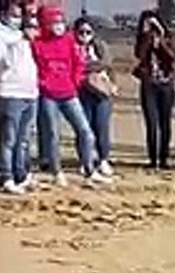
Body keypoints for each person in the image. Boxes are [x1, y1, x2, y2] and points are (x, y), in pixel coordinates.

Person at [31, 5, 109, 186]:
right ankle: (56, 171)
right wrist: (43, 83)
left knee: (85, 131)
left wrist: (73, 81)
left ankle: (89, 169)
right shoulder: (37, 44)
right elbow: (34, 68)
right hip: (48, 95)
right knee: (52, 134)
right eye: (54, 22)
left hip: (69, 93)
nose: (58, 25)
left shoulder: (68, 40)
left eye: (61, 21)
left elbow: (78, 63)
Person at [0, 0, 38, 194]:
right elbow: (2, 61)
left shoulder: (22, 30)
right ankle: (5, 175)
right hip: (8, 91)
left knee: (24, 138)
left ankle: (21, 173)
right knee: (8, 137)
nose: (20, 10)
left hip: (29, 91)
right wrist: (20, 41)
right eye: (17, 6)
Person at [133, 11, 175, 170]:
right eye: (146, 23)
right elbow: (139, 55)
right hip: (149, 84)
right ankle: (152, 158)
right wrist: (147, 38)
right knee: (151, 122)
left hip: (166, 84)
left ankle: (164, 157)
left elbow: (172, 58)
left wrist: (162, 40)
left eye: (152, 23)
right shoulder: (141, 39)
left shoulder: (168, 38)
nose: (150, 26)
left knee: (165, 123)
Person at [74, 17, 115, 177]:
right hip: (81, 91)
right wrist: (90, 67)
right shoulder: (73, 47)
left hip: (101, 92)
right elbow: (74, 65)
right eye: (81, 32)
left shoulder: (100, 46)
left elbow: (107, 65)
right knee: (84, 128)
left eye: (88, 32)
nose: (84, 35)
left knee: (102, 126)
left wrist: (89, 66)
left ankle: (103, 159)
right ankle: (86, 160)